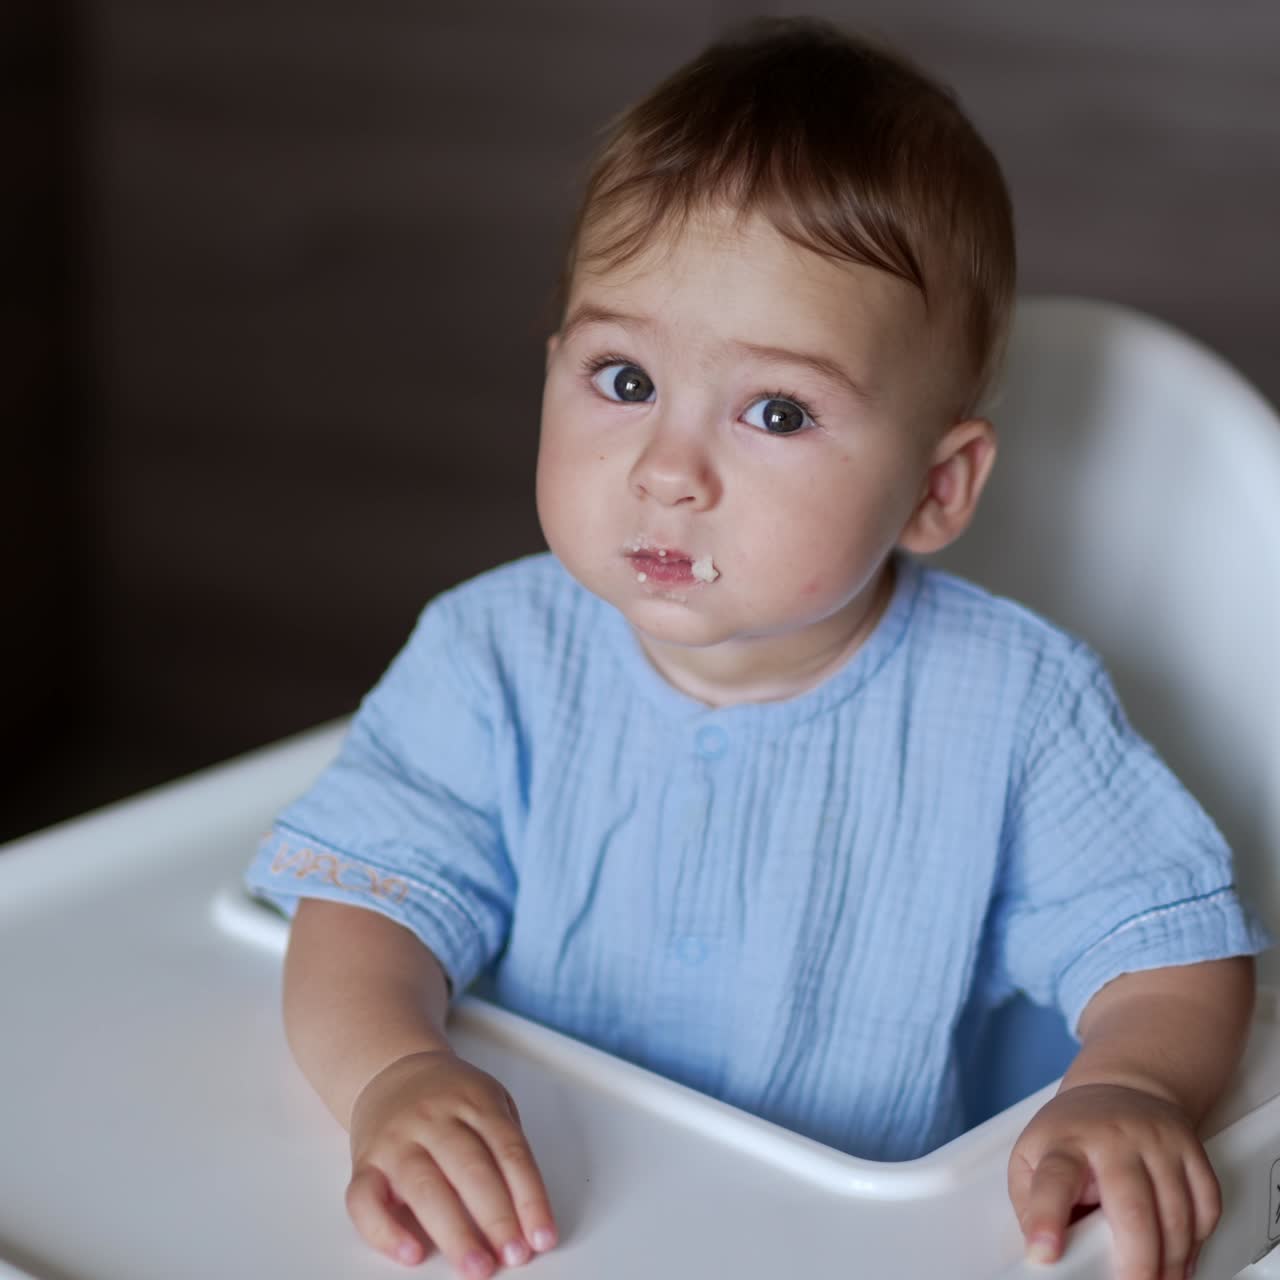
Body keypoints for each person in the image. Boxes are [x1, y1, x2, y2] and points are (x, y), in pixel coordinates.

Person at [245, 18, 1272, 1280]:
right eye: (621, 379)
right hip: (542, 1219)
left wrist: (1128, 1083)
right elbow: (363, 909)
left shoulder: (1017, 708)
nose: (666, 471)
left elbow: (1167, 952)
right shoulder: (488, 654)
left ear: (936, 489)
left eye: (775, 411)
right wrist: (393, 1071)